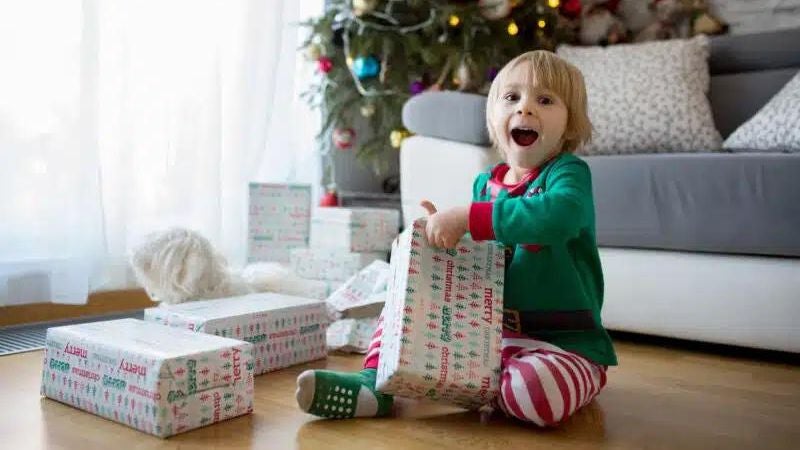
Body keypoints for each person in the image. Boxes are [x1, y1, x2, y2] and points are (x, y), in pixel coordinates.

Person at [295, 50, 617, 426]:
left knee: (533, 393)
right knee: (405, 303)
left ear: (570, 123)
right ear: (494, 118)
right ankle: (376, 386)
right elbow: (481, 257)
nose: (525, 108)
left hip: (565, 346)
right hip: (492, 339)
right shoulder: (487, 183)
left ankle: (473, 387)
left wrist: (468, 217)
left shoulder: (568, 174)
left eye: (544, 100)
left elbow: (557, 218)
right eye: (511, 98)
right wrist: (438, 250)